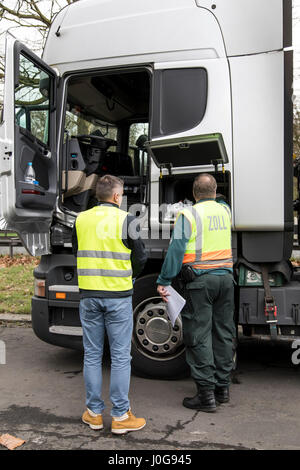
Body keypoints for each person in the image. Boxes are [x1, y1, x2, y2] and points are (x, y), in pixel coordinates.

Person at [72, 174, 147, 434]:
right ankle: (120, 416)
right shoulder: (128, 219)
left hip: (89, 295)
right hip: (118, 297)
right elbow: (141, 256)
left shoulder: (81, 220)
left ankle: (93, 413)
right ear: (117, 196)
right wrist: (131, 275)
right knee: (119, 357)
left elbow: (77, 251)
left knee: (92, 355)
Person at [157, 173, 235, 412]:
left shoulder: (188, 215)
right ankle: (222, 388)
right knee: (223, 333)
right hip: (226, 280)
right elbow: (221, 201)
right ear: (215, 191)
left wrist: (164, 279)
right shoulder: (225, 211)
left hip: (200, 282)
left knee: (199, 335)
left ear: (193, 194)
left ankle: (206, 395)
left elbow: (176, 250)